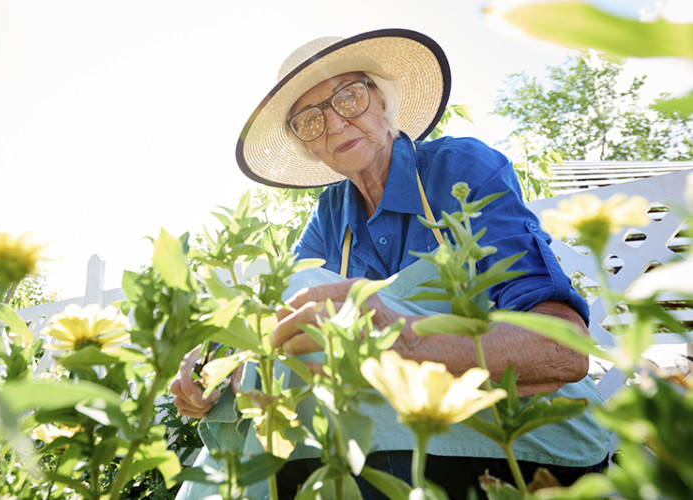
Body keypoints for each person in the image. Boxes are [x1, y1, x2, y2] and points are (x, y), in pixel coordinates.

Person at [172, 29, 610, 499]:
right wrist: (218, 363)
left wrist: (399, 337)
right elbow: (282, 316)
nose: (335, 125)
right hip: (406, 426)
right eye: (310, 120)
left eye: (349, 97)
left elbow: (565, 351)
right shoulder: (331, 215)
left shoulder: (462, 168)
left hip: (530, 437)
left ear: (384, 101)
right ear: (307, 146)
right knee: (285, 343)